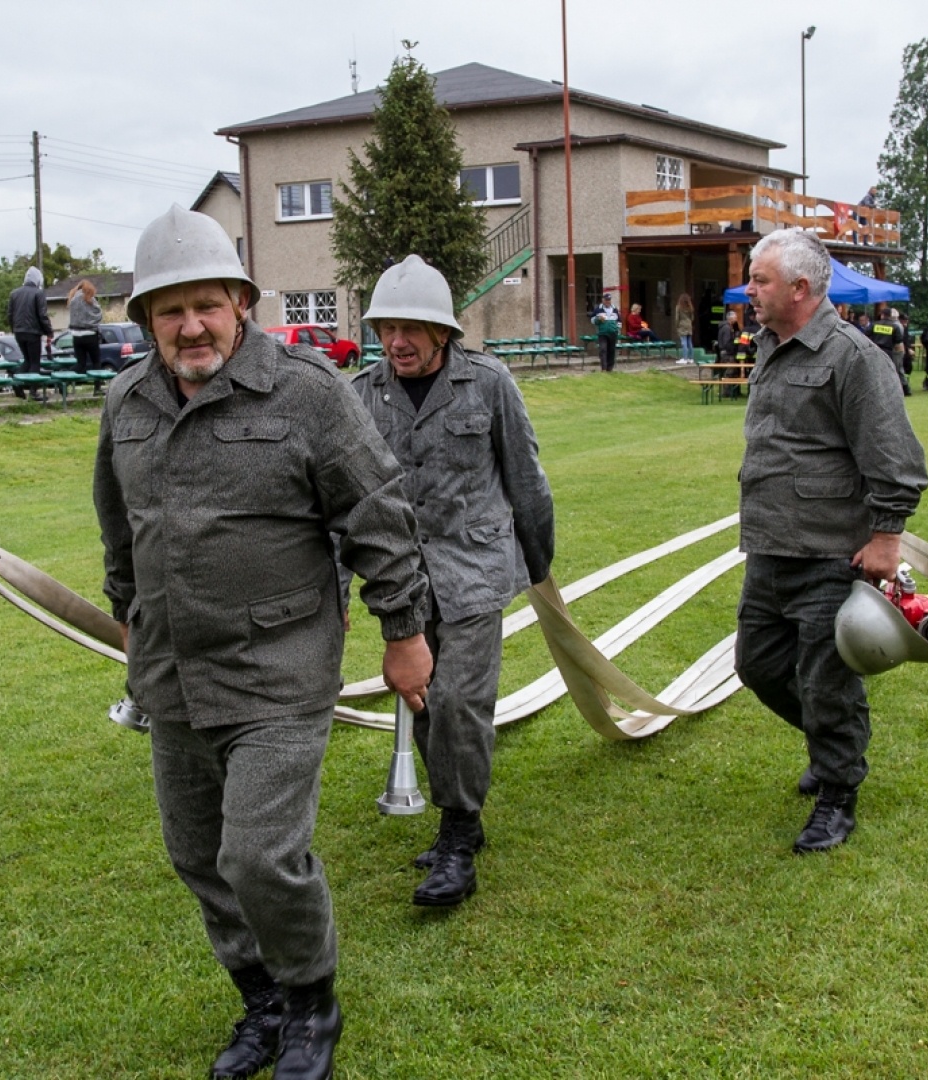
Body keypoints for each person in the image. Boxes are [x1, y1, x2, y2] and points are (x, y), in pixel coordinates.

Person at [93, 206, 433, 1080]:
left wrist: (405, 631)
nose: (191, 325)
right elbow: (119, 525)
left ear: (241, 302)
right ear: (146, 322)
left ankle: (313, 1006)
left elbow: (377, 516)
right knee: (197, 856)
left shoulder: (308, 393)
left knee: (258, 853)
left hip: (280, 666)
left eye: (207, 304)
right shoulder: (125, 403)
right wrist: (127, 605)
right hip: (171, 668)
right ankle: (262, 1001)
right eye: (169, 310)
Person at [348, 255, 555, 909]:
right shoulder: (361, 395)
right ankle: (462, 817)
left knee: (462, 702)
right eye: (386, 328)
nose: (397, 342)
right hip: (402, 582)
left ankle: (458, 837)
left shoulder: (488, 384)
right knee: (426, 702)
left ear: (444, 331)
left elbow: (526, 477)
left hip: (474, 571)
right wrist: (334, 591)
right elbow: (339, 498)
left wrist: (538, 565)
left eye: (412, 328)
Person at [735, 229, 928, 854]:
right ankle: (832, 741)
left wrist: (886, 540)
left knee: (826, 682)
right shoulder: (771, 345)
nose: (749, 289)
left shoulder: (853, 357)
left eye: (760, 280)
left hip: (829, 553)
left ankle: (838, 791)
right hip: (769, 548)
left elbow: (896, 460)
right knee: (757, 666)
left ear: (800, 288)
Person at [8, 266, 53, 398]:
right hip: (33, 332)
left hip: (18, 331)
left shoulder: (14, 293)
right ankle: (34, 392)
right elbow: (42, 315)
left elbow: (10, 314)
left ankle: (17, 383)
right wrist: (49, 331)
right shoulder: (38, 294)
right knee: (34, 362)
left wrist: (14, 328)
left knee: (27, 360)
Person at [67, 279, 103, 374]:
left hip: (76, 336)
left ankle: (66, 377)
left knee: (80, 364)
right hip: (90, 334)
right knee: (96, 362)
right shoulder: (90, 299)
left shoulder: (73, 300)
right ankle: (97, 385)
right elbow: (98, 314)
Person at [870, 307, 907, 396]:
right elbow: (898, 341)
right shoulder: (895, 326)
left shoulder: (874, 325)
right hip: (888, 351)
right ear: (890, 316)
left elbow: (866, 335)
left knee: (875, 371)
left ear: (882, 315)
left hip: (875, 350)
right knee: (889, 371)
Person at [590, 292, 621, 372]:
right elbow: (592, 320)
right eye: (606, 300)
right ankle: (604, 368)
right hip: (602, 333)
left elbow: (619, 321)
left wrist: (617, 329)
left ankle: (610, 369)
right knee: (603, 349)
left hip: (613, 333)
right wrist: (598, 319)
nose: (608, 301)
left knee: (611, 350)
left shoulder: (615, 309)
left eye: (609, 300)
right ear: (603, 300)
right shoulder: (598, 309)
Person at [674, 293, 695, 361]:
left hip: (682, 324)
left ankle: (685, 358)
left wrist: (677, 326)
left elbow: (677, 318)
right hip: (689, 324)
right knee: (689, 342)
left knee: (684, 342)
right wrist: (689, 322)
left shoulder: (678, 307)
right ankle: (691, 358)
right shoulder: (690, 307)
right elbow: (692, 318)